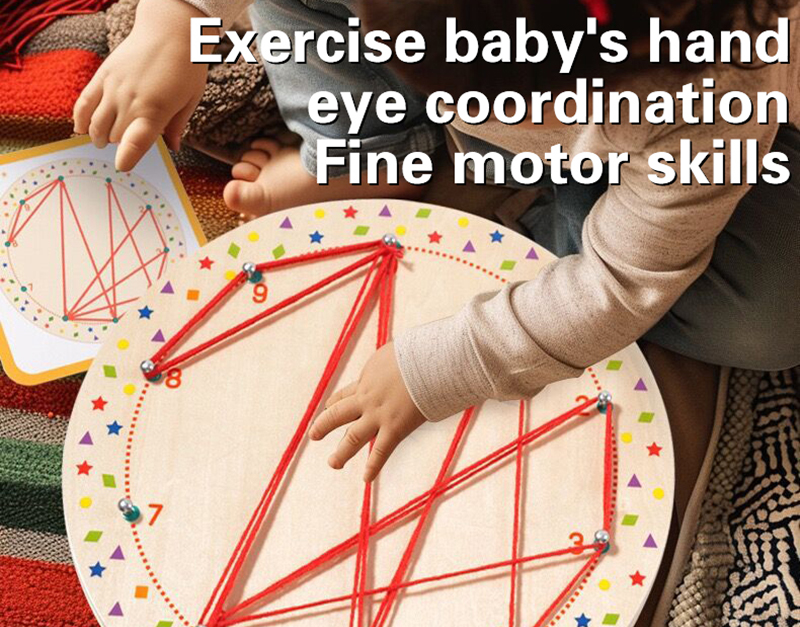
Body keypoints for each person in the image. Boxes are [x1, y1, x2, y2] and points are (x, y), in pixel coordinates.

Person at [74, 0, 800, 483]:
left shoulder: (713, 93)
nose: (467, 107)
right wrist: (175, 22)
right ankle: (371, 150)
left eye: (498, 103)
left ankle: (525, 206)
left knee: (774, 317)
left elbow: (622, 283)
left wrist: (447, 364)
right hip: (550, 113)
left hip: (647, 165)